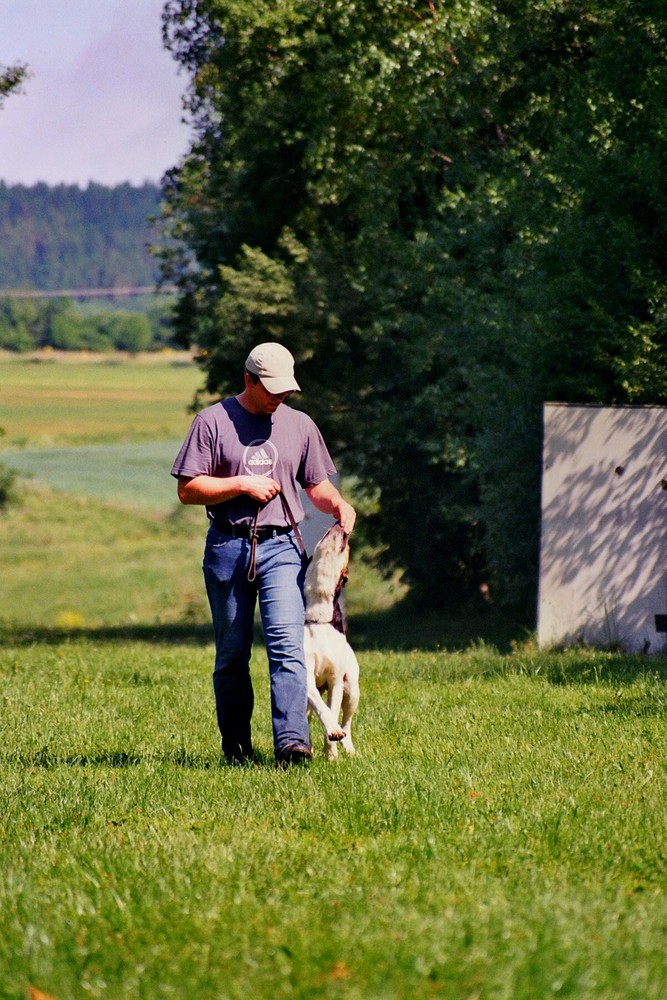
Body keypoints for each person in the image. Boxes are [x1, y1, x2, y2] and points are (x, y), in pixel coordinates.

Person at [171, 342, 356, 766]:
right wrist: (241, 484)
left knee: (287, 645)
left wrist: (339, 505)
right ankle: (236, 750)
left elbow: (316, 486)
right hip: (227, 546)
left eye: (285, 390)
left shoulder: (300, 425)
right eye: (269, 389)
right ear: (248, 380)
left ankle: (292, 745)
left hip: (282, 547)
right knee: (233, 652)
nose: (278, 398)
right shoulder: (212, 422)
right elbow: (188, 489)